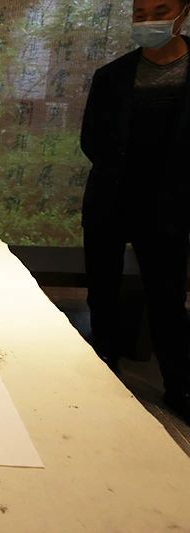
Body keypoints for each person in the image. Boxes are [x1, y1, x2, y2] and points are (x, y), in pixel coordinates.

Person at [80, 0, 190, 422]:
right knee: (102, 289)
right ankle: (105, 368)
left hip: (171, 203)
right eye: (140, 14)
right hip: (111, 196)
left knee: (166, 296)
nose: (149, 22)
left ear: (183, 13)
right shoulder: (112, 75)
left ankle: (178, 385)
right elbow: (91, 139)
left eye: (159, 11)